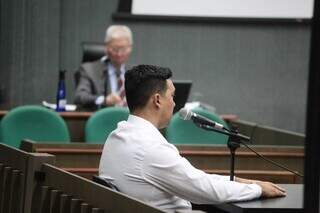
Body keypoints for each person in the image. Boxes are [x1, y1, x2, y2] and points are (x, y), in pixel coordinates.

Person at [99, 65, 286, 212]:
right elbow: (203, 189)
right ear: (157, 100)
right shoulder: (150, 149)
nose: (174, 103)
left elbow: (194, 180)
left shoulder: (117, 136)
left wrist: (237, 181)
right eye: (172, 96)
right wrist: (258, 189)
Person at [74, 25, 132, 110]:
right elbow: (80, 96)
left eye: (123, 49)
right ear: (107, 47)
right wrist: (104, 100)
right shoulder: (89, 70)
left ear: (130, 48)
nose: (119, 54)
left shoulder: (134, 72)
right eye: (115, 49)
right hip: (103, 120)